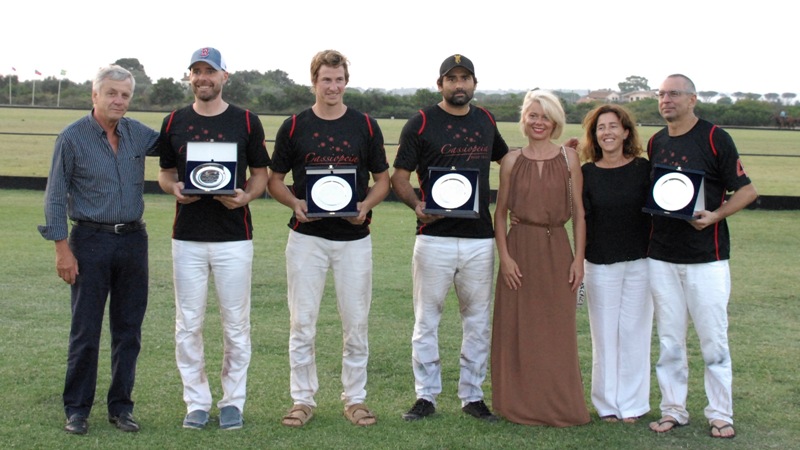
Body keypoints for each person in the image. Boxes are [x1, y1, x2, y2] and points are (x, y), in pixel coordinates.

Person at [268, 49, 389, 428]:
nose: (332, 86)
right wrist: (294, 202)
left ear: (345, 82)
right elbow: (274, 180)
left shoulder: (366, 126)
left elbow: (383, 179)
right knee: (302, 322)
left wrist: (366, 205)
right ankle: (302, 400)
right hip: (307, 238)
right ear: (314, 82)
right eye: (326, 80)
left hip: (354, 241)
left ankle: (355, 399)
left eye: (338, 79)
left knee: (356, 322)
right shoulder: (294, 126)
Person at [38, 65, 159, 435]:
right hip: (89, 241)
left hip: (133, 241)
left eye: (125, 95)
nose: (118, 100)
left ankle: (121, 407)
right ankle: (76, 409)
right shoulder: (73, 137)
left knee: (129, 330)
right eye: (111, 93)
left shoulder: (137, 133)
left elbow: (178, 144)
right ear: (95, 95)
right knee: (85, 330)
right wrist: (62, 250)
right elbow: (55, 196)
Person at [157, 47, 270, 431]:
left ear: (225, 76)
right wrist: (174, 189)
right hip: (187, 237)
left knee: (236, 324)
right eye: (197, 71)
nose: (204, 78)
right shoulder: (174, 120)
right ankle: (197, 402)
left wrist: (246, 196)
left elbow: (260, 175)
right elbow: (165, 173)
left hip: (233, 237)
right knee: (188, 323)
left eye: (211, 71)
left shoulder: (246, 121)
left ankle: (232, 402)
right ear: (190, 77)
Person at [391, 54, 508, 422]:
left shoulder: (486, 119)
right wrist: (417, 205)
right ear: (440, 83)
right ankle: (426, 396)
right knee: (426, 320)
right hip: (434, 237)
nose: (459, 85)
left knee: (477, 321)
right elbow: (399, 176)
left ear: (474, 83)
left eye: (465, 78)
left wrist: (555, 156)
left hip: (479, 238)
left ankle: (472, 396)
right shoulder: (422, 122)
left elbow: (509, 161)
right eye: (452, 78)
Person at [646, 74, 757, 439]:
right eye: (662, 94)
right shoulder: (656, 141)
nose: (667, 100)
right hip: (662, 256)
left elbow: (746, 191)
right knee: (669, 339)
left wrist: (716, 215)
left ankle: (720, 413)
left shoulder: (714, 137)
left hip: (706, 258)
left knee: (713, 338)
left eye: (674, 94)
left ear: (692, 99)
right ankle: (673, 409)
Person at [491, 89, 590, 427]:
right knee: (517, 329)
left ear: (555, 121)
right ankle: (517, 404)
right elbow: (500, 212)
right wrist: (505, 257)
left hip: (557, 249)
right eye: (533, 115)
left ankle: (559, 406)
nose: (539, 122)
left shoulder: (568, 159)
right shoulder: (511, 161)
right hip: (519, 249)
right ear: (524, 119)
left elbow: (579, 213)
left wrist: (578, 260)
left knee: (555, 330)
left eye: (545, 116)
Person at [578, 104, 652, 423]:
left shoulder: (644, 168)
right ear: (594, 136)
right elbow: (579, 218)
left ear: (625, 132)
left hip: (640, 262)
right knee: (604, 336)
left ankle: (633, 404)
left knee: (635, 333)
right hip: (599, 264)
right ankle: (607, 404)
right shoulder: (586, 173)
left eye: (613, 126)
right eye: (600, 128)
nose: (607, 132)